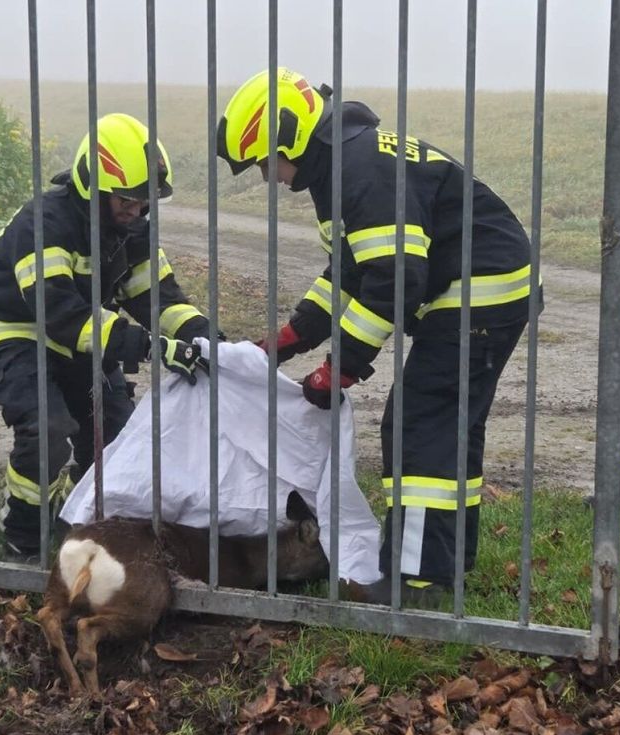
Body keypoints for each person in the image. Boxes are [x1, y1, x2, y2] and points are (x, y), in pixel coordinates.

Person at [217, 67, 534, 603]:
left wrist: (342, 364)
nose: (269, 175)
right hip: (485, 286)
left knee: (419, 424)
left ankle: (417, 581)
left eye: (265, 162)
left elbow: (395, 278)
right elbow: (351, 268)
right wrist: (291, 338)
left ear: (289, 135)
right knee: (448, 429)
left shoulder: (356, 169)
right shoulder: (345, 161)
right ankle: (445, 565)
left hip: (479, 291)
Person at [0, 113, 213, 559]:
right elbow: (59, 314)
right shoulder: (44, 223)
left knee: (116, 437)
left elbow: (157, 296)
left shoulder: (131, 228)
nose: (136, 211)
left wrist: (208, 338)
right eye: (127, 200)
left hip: (83, 335)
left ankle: (80, 519)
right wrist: (152, 347)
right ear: (91, 184)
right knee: (47, 428)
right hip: (18, 329)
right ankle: (22, 536)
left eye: (144, 202)